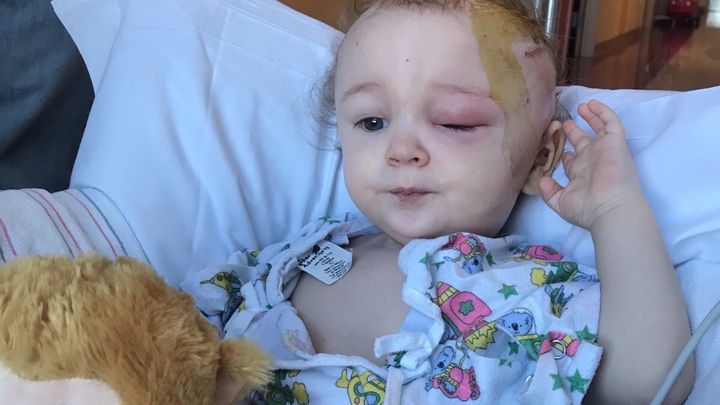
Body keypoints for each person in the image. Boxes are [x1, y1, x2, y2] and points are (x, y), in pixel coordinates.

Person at [182, 1, 693, 403]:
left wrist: (615, 211)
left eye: (454, 122)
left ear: (541, 158)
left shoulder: (533, 292)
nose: (401, 149)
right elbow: (170, 336)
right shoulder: (291, 261)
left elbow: (650, 382)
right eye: (372, 122)